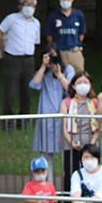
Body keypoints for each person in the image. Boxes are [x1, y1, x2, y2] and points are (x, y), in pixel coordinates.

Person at [29, 44, 72, 178]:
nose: (52, 58)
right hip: (47, 118)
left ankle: (68, 190)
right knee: (46, 156)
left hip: (65, 118)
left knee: (68, 157)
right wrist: (43, 66)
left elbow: (72, 90)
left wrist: (59, 74)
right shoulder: (44, 72)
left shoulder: (68, 69)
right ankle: (48, 190)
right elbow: (34, 84)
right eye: (49, 55)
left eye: (54, 55)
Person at [0, 0, 40, 116]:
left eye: (32, 5)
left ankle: (23, 119)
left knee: (26, 91)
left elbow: (36, 41)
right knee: (10, 91)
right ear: (20, 6)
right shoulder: (12, 18)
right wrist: (2, 49)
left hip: (28, 60)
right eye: (26, 4)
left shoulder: (36, 23)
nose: (29, 7)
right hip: (12, 58)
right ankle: (7, 118)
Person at [60, 71, 100, 192]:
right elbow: (64, 126)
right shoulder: (66, 102)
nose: (83, 85)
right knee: (71, 172)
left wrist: (93, 141)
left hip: (91, 144)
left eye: (85, 82)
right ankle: (69, 200)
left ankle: (91, 198)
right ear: (73, 85)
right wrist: (72, 143)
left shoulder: (94, 102)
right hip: (70, 145)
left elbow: (98, 124)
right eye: (79, 82)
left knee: (91, 173)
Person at [45, 0, 86, 71]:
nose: (65, 0)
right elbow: (49, 35)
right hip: (59, 52)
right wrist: (54, 49)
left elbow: (81, 33)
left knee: (79, 76)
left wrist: (76, 45)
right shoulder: (53, 16)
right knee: (59, 76)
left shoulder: (79, 15)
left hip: (75, 52)